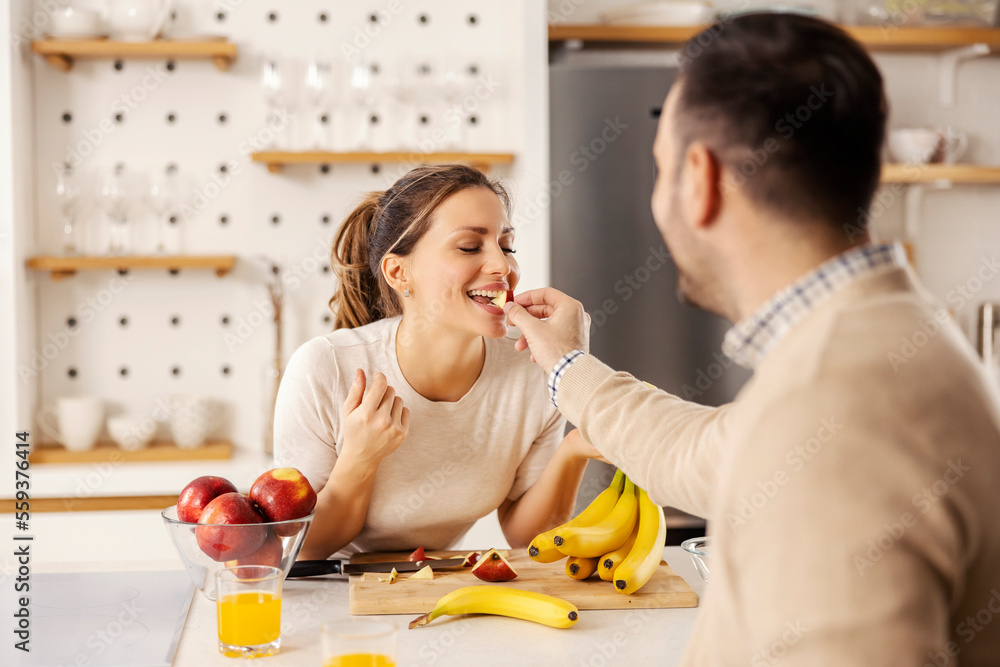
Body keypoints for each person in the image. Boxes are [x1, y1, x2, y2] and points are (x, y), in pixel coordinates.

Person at [503, 13, 1000, 666]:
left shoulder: (839, 403)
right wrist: (569, 365)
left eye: (661, 169)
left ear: (702, 179)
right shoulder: (880, 341)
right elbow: (705, 449)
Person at [273, 164, 602, 560]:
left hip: (436, 587)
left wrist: (575, 446)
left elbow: (528, 536)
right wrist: (359, 460)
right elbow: (303, 548)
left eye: (507, 246)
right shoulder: (324, 369)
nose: (504, 266)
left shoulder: (535, 363)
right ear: (398, 272)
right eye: (469, 246)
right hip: (334, 598)